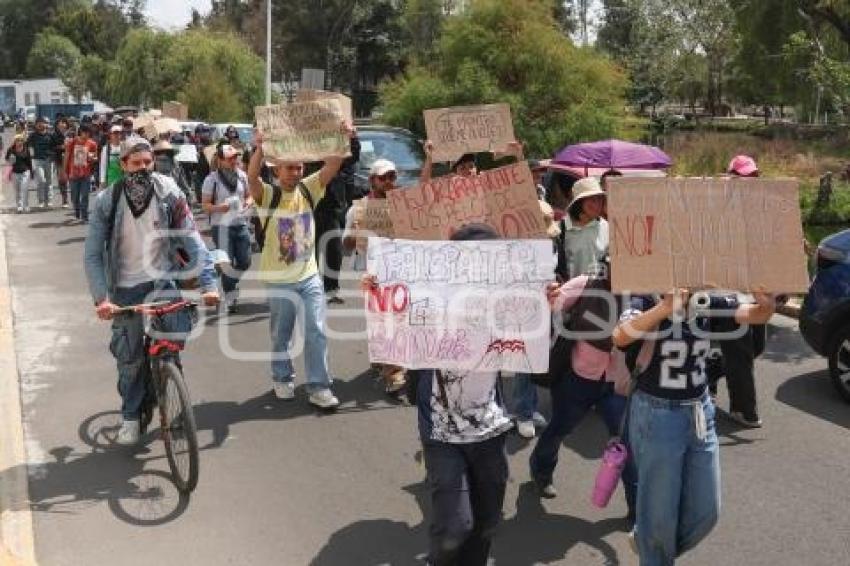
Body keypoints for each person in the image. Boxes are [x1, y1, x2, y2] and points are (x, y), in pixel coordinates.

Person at [397, 223, 545, 566]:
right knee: (454, 528)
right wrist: (381, 297)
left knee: (487, 524)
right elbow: (394, 324)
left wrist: (544, 304)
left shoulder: (507, 303)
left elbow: (532, 347)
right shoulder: (430, 301)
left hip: (490, 432)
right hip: (442, 433)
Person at [613, 288, 775, 565]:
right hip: (657, 413)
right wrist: (664, 309)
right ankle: (654, 548)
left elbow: (754, 315)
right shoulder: (645, 293)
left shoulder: (706, 295)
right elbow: (620, 335)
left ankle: (651, 541)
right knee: (660, 518)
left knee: (706, 512)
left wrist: (766, 306)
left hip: (701, 411)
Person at [84, 136, 219, 445]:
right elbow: (92, 253)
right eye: (136, 163)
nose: (143, 168)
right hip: (125, 288)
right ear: (123, 165)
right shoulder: (107, 200)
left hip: (163, 282)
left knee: (171, 347)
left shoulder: (168, 191)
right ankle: (131, 417)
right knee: (129, 361)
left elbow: (192, 240)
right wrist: (102, 298)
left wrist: (209, 283)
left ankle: (173, 399)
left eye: (148, 162)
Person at [247, 125, 354, 409]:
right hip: (279, 280)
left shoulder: (309, 189)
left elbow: (333, 164)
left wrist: (341, 136)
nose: (295, 172)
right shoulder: (268, 196)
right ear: (277, 171)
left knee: (316, 331)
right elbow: (252, 178)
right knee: (281, 334)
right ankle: (282, 377)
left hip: (308, 277)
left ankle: (319, 386)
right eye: (289, 168)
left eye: (298, 167)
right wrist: (259, 148)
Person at [529, 261, 637, 520]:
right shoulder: (586, 285)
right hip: (578, 379)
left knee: (625, 442)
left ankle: (636, 505)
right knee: (559, 429)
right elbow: (550, 307)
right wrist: (548, 297)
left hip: (617, 385)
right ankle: (541, 470)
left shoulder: (642, 297)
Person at [706, 155, 767, 427]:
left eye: (753, 176)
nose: (749, 182)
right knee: (740, 348)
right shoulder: (714, 206)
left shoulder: (762, 208)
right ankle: (744, 409)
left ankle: (709, 370)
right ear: (730, 176)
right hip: (726, 290)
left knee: (756, 347)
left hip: (754, 290)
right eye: (743, 177)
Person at [342, 158, 406, 394]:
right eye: (384, 178)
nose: (389, 182)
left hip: (401, 270)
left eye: (392, 177)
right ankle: (394, 373)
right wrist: (356, 233)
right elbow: (346, 247)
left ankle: (389, 364)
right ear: (372, 181)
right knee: (384, 321)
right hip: (374, 275)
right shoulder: (358, 209)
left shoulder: (404, 205)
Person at [202, 142, 253, 313]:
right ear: (221, 160)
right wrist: (219, 208)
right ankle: (230, 295)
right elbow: (205, 205)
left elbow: (249, 195)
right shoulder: (212, 180)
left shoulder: (242, 176)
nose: (234, 161)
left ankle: (231, 283)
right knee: (227, 263)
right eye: (230, 158)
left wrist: (247, 203)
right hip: (221, 226)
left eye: (236, 158)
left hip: (240, 224)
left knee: (245, 261)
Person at [315, 133, 360, 305]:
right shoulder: (305, 159)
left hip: (330, 208)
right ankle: (306, 289)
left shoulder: (335, 158)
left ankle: (331, 289)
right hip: (306, 209)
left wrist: (353, 138)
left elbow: (352, 156)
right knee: (307, 253)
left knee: (334, 250)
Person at [556, 176, 609, 281]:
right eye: (592, 200)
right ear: (579, 203)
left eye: (600, 199)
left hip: (599, 293)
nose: (597, 204)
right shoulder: (560, 229)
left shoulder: (606, 227)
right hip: (570, 293)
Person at [64, 124, 98, 222]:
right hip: (73, 173)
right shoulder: (72, 142)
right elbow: (66, 156)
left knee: (85, 195)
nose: (86, 135)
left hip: (86, 173)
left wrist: (92, 158)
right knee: (75, 195)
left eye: (88, 133)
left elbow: (96, 157)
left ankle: (84, 215)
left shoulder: (92, 144)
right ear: (80, 132)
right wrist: (64, 170)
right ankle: (77, 211)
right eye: (84, 132)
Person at [27, 116, 55, 208]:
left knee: (49, 181)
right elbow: (27, 146)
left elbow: (55, 147)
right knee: (41, 180)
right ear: (36, 125)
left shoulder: (50, 135)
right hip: (38, 160)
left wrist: (53, 155)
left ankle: (49, 200)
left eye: (43, 122)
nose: (41, 124)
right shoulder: (32, 135)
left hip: (49, 160)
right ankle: (41, 201)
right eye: (39, 123)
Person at [5, 135, 33, 213]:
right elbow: (7, 159)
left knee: (24, 189)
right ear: (15, 141)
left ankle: (26, 205)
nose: (19, 142)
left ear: (23, 141)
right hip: (14, 173)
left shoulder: (26, 150)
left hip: (25, 172)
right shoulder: (11, 150)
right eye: (17, 140)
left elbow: (29, 162)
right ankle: (19, 206)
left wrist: (31, 172)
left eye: (21, 140)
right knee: (17, 191)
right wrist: (10, 155)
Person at [51, 117, 71, 208]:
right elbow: (51, 148)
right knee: (62, 179)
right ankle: (65, 199)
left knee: (72, 179)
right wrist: (61, 147)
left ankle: (75, 198)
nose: (62, 124)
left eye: (64, 122)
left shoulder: (71, 134)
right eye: (59, 122)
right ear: (56, 125)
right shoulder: (54, 135)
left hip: (72, 160)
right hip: (60, 159)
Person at [99, 125, 124, 189]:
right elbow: (103, 165)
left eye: (118, 133)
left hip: (123, 179)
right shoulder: (106, 148)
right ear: (111, 135)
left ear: (121, 134)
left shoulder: (125, 147)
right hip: (110, 179)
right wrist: (102, 181)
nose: (116, 135)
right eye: (114, 133)